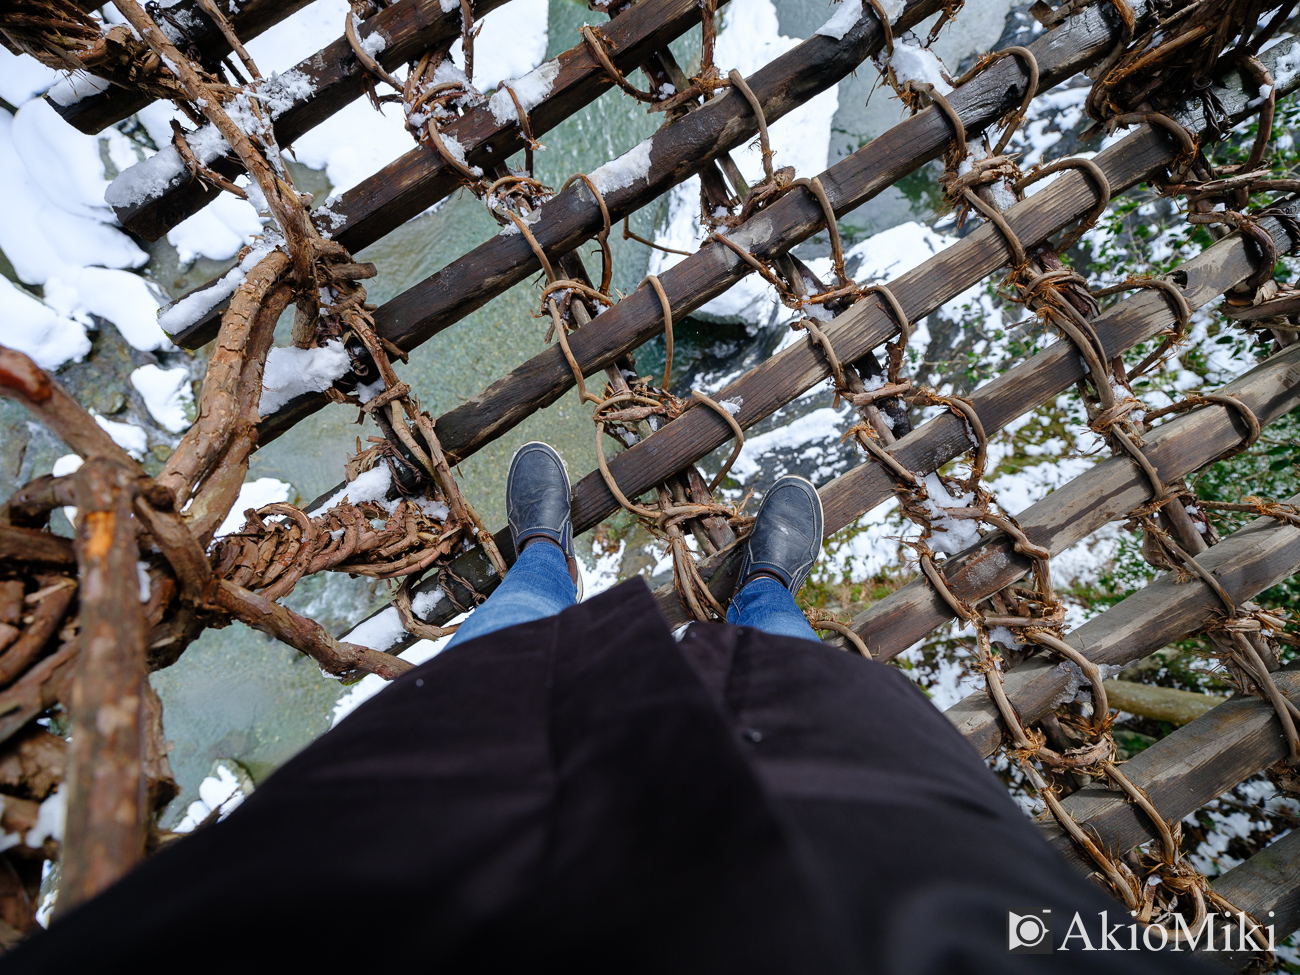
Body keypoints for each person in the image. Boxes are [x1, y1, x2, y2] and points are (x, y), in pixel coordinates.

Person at [4, 443, 1205, 973]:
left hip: (399, 869)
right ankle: (763, 588)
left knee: (502, 662)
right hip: (909, 882)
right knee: (796, 665)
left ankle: (541, 562)